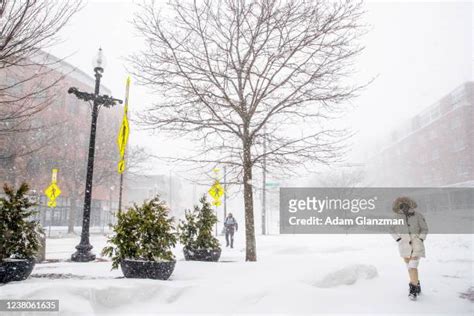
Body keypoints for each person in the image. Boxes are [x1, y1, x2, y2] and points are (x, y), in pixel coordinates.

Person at [390, 197, 429, 301]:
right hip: (404, 245)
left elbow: (425, 229)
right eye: (401, 205)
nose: (404, 207)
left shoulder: (418, 215)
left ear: (410, 205)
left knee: (412, 266)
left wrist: (420, 239)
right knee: (409, 267)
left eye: (406, 205)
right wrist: (398, 239)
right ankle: (417, 283)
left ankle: (413, 289)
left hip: (416, 245)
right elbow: (390, 229)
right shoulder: (396, 217)